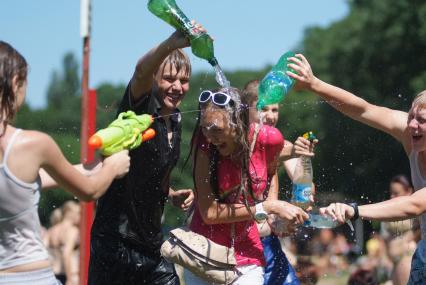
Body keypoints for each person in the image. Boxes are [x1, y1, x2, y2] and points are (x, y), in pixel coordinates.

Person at [87, 23, 212, 284]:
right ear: (154, 79)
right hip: (114, 242)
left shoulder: (176, 120)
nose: (177, 86)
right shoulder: (139, 110)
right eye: (169, 78)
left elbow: (152, 175)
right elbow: (140, 70)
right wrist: (171, 43)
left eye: (184, 80)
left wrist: (171, 194)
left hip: (151, 244)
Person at [285, 52, 426, 285]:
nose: (412, 125)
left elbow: (415, 204)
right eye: (411, 116)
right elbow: (363, 109)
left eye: (421, 120)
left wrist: (355, 210)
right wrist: (315, 84)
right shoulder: (411, 133)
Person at [0, 41, 130, 285]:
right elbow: (89, 191)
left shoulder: (23, 157)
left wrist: (101, 162)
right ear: (15, 81)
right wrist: (114, 166)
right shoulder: (32, 144)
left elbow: (48, 178)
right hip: (33, 277)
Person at [184, 87, 309, 284]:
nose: (210, 136)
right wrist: (268, 207)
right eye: (205, 127)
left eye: (217, 129)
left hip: (248, 255)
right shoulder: (204, 145)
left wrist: (274, 217)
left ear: (237, 123)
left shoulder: (269, 139)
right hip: (205, 254)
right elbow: (209, 214)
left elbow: (270, 174)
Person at [243, 79, 316, 285]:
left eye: (275, 110)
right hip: (239, 248)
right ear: (245, 109)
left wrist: (295, 210)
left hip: (268, 243)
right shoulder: (234, 146)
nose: (270, 116)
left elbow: (306, 187)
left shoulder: (283, 145)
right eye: (263, 109)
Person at [44, 201, 81, 285]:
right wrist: (70, 279)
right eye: (79, 213)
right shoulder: (72, 231)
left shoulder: (51, 230)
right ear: (71, 214)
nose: (80, 217)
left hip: (52, 274)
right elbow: (66, 253)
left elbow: (43, 251)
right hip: (67, 274)